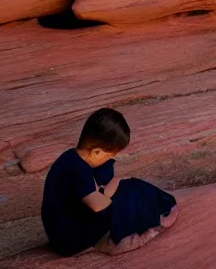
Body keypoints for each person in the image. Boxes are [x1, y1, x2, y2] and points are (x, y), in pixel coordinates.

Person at [41, 108, 179, 257]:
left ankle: (154, 210)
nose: (110, 158)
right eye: (109, 155)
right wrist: (113, 189)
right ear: (97, 152)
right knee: (126, 197)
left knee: (126, 186)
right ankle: (116, 241)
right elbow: (98, 204)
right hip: (70, 238)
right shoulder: (76, 168)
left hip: (68, 227)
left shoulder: (72, 157)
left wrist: (109, 187)